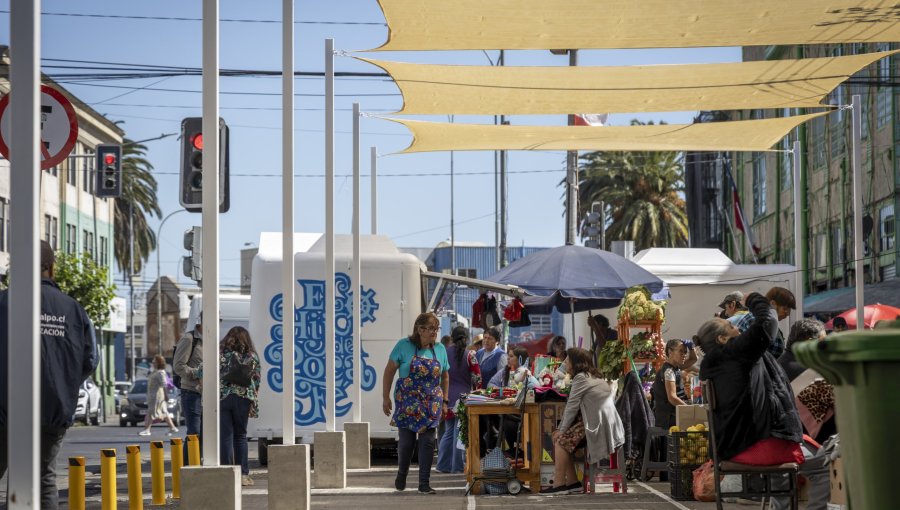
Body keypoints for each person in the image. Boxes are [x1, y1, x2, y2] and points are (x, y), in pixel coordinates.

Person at [0, 241, 98, 509]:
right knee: (44, 480)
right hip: (54, 409)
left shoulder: (4, 302)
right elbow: (91, 359)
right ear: (51, 267)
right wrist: (62, 382)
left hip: (6, 410)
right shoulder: (73, 310)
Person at [695, 292, 803, 468]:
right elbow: (768, 323)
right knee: (824, 461)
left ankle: (776, 495)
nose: (738, 328)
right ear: (722, 339)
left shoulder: (716, 362)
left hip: (733, 445)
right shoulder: (735, 353)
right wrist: (753, 298)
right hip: (756, 444)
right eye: (731, 326)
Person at [382, 312, 450, 494]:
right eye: (431, 329)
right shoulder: (403, 346)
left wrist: (445, 401)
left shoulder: (440, 349)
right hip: (407, 403)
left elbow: (445, 375)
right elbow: (389, 371)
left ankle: (424, 483)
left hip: (431, 404)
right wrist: (385, 397)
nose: (434, 333)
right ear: (420, 329)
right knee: (406, 443)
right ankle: (402, 473)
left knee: (428, 442)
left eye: (436, 329)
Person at [542, 348, 624, 495]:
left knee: (560, 440)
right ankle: (573, 483)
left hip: (598, 426)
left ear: (575, 363)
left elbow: (571, 407)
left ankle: (559, 484)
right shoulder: (594, 376)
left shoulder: (581, 378)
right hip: (609, 425)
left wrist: (561, 429)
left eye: (567, 360)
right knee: (563, 438)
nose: (565, 363)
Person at [219, 326, 261, 487]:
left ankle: (227, 472)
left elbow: (204, 371)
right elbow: (256, 380)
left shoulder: (222, 355)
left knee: (226, 436)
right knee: (240, 436)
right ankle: (243, 474)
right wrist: (253, 401)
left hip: (223, 398)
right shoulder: (252, 356)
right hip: (243, 398)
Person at [436, 326, 481, 474]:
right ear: (466, 338)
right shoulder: (470, 356)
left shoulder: (443, 353)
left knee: (449, 432)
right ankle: (457, 467)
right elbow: (477, 379)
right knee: (459, 433)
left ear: (452, 337)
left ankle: (442, 465)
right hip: (464, 399)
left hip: (446, 398)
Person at [729, 287, 796, 358]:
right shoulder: (757, 320)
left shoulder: (766, 321)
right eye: (785, 308)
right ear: (773, 304)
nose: (788, 313)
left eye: (789, 309)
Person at [174, 313, 203, 460]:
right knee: (194, 432)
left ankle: (200, 465)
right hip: (191, 392)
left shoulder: (213, 341)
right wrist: (198, 374)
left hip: (208, 394)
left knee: (206, 434)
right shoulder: (189, 339)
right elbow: (178, 366)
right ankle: (188, 467)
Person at [650, 340, 689, 430]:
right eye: (681, 351)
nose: (684, 355)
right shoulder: (669, 371)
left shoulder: (675, 369)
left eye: (685, 352)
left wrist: (691, 349)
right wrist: (689, 409)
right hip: (669, 419)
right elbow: (672, 398)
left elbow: (693, 360)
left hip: (673, 415)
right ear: (670, 352)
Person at [139, 355, 179, 436]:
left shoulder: (161, 372)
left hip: (157, 396)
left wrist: (166, 395)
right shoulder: (155, 371)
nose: (153, 363)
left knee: (151, 411)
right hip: (153, 395)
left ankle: (147, 430)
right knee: (164, 412)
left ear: (158, 363)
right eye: (153, 362)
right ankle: (172, 428)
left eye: (154, 362)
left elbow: (164, 384)